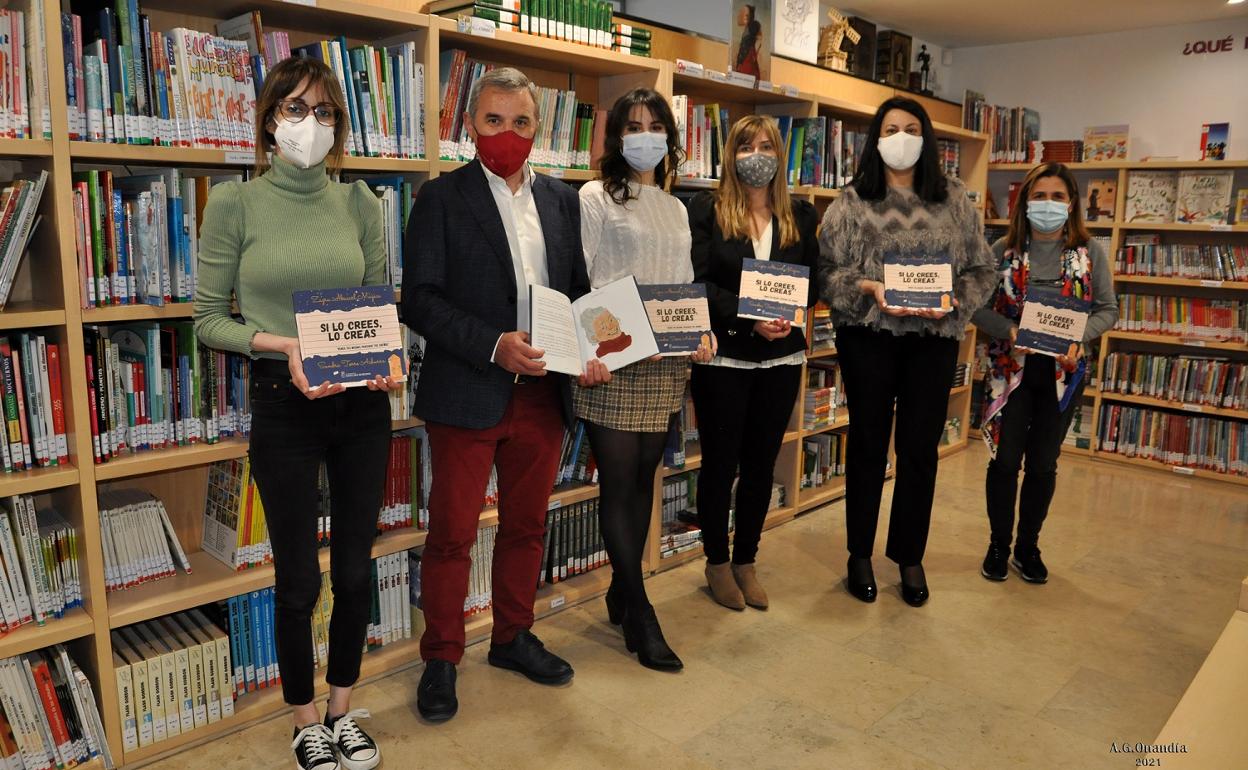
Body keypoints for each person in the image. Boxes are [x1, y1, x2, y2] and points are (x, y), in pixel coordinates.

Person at [195, 57, 400, 770]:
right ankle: (304, 718)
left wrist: (389, 356)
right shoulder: (236, 205)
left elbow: (379, 305)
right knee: (297, 578)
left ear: (338, 126)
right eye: (294, 109)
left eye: (324, 112)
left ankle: (343, 708)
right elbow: (205, 321)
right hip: (284, 403)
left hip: (361, 406)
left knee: (352, 569)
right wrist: (288, 346)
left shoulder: (361, 204)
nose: (308, 125)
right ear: (268, 119)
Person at [400, 67, 608, 724]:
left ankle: (513, 637)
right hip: (468, 391)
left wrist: (591, 349)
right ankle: (441, 656)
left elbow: (574, 289)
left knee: (526, 527)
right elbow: (421, 302)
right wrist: (493, 343)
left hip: (544, 395)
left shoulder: (562, 201)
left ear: (536, 129)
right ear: (471, 126)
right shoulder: (440, 198)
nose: (508, 134)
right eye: (494, 121)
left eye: (521, 122)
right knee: (452, 535)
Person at [818, 96, 997, 608]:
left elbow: (982, 271)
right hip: (868, 338)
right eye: (891, 128)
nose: (901, 137)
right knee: (869, 446)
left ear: (926, 138)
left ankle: (909, 555)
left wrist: (952, 303)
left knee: (920, 450)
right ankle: (858, 553)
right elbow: (826, 272)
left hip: (932, 342)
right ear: (877, 139)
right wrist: (868, 288)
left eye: (911, 128)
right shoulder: (852, 201)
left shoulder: (955, 201)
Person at [575, 88, 715, 670]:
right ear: (616, 137)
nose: (645, 134)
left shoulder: (677, 207)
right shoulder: (592, 196)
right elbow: (582, 279)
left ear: (669, 136)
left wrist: (698, 331)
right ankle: (641, 611)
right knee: (617, 485)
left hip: (667, 363)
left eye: (655, 124)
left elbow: (682, 279)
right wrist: (610, 340)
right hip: (616, 357)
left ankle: (618, 589)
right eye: (633, 125)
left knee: (642, 485)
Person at [688, 115, 819, 612]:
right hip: (725, 356)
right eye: (746, 146)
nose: (756, 154)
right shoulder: (707, 209)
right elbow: (699, 283)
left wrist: (785, 314)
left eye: (766, 145)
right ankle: (717, 562)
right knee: (720, 464)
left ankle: (747, 560)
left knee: (762, 464)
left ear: (780, 155)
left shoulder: (800, 216)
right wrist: (751, 314)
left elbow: (812, 282)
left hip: (782, 357)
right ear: (730, 155)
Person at [972, 163, 1117, 584]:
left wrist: (1080, 338)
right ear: (1025, 203)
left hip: (1063, 375)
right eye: (1040, 196)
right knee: (1004, 462)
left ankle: (1027, 548)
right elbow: (977, 307)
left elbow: (1107, 308)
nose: (1048, 205)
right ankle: (998, 545)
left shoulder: (1090, 254)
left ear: (1071, 204)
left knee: (1042, 466)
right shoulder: (1002, 250)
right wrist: (1009, 329)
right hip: (1011, 371)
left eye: (1057, 197)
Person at [734, 4, 762, 78]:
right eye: (741, 13)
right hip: (744, 62)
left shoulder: (753, 26)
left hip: (748, 61)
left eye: (746, 15)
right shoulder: (745, 31)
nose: (739, 16)